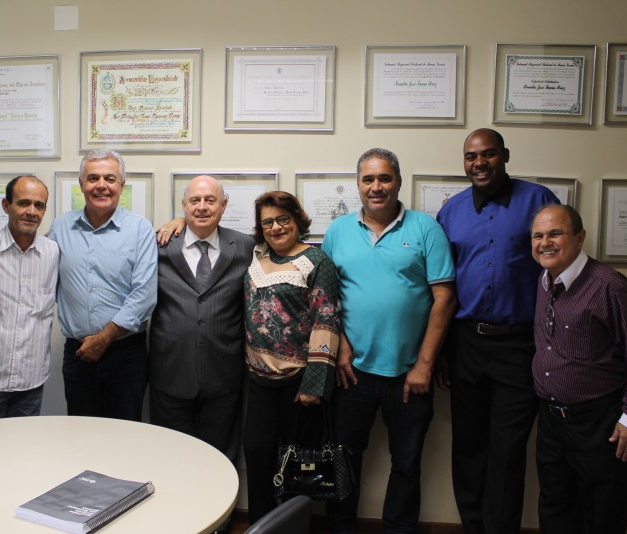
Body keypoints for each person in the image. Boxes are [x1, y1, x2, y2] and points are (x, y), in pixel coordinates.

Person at [323, 148, 456, 534]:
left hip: (409, 374)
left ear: (398, 181)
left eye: (384, 178)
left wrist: (425, 365)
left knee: (407, 463)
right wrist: (340, 346)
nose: (376, 186)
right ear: (358, 184)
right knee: (343, 461)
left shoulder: (425, 228)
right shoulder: (338, 231)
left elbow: (445, 298)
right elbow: (326, 297)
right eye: (368, 179)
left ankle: (400, 528)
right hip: (352, 372)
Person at [436, 128, 560, 534]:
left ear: (504, 155)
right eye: (471, 156)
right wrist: (442, 354)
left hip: (520, 345)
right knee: (468, 445)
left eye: (488, 154)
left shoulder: (539, 201)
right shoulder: (451, 212)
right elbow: (441, 287)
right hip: (465, 344)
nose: (479, 163)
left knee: (508, 449)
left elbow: (560, 268)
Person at [530, 204, 627, 534]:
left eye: (555, 233)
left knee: (602, 513)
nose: (545, 242)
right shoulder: (543, 280)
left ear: (580, 238)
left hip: (600, 423)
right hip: (551, 420)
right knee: (554, 507)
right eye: (538, 236)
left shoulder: (609, 286)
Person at [243, 191, 340, 524]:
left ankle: (293, 527)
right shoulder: (257, 256)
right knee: (257, 454)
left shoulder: (317, 262)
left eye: (283, 219)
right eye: (267, 222)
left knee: (296, 466)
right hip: (259, 381)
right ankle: (260, 526)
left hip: (299, 385)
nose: (276, 227)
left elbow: (326, 320)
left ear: (297, 220)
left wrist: (314, 384)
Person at [149, 175, 252, 463]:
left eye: (210, 200)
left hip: (224, 371)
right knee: (170, 457)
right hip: (170, 369)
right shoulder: (159, 244)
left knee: (220, 458)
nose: (202, 207)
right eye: (195, 200)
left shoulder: (245, 246)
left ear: (224, 205)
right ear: (184, 205)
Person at [48, 149, 158, 421]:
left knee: (124, 431)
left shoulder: (140, 229)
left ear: (122, 184)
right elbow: (34, 262)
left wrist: (103, 338)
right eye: (92, 178)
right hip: (78, 354)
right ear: (81, 184)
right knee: (81, 431)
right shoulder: (60, 227)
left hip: (126, 355)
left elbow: (144, 295)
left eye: (110, 178)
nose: (101, 185)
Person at [0, 176, 59, 419]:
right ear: (6, 205)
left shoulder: (52, 252)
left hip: (31, 381)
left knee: (25, 443)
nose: (32, 211)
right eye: (23, 203)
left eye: (39, 205)